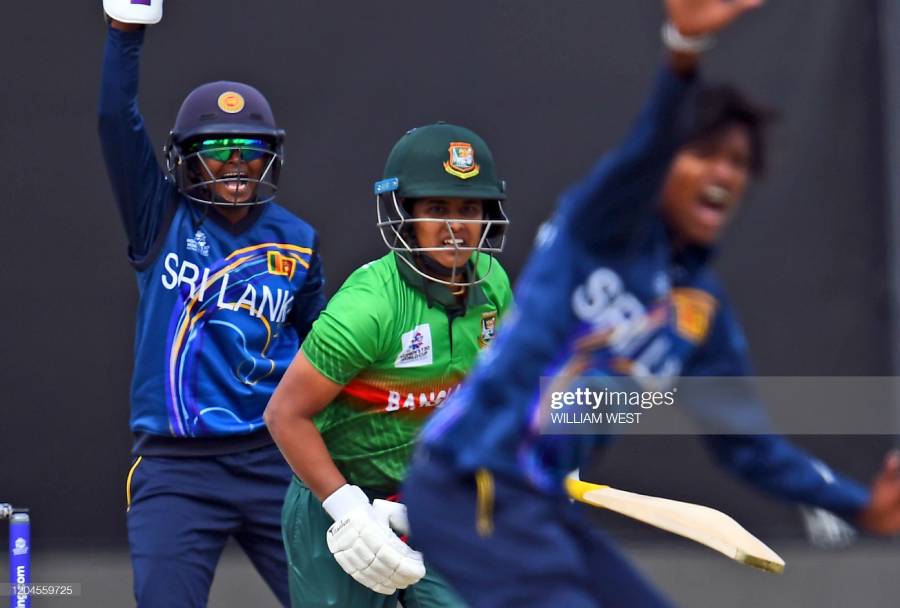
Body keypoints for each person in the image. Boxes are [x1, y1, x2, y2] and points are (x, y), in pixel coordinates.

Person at [402, 1, 900, 606]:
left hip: (539, 504)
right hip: (468, 484)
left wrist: (860, 505)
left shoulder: (699, 312)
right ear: (664, 165)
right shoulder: (600, 227)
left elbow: (749, 447)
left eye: (739, 163)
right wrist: (683, 53)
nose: (724, 174)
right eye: (704, 153)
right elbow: (648, 144)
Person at [98, 2, 325, 605]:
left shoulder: (297, 239)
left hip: (276, 459)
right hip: (177, 469)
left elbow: (321, 353)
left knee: (337, 600)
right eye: (217, 148)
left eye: (250, 149)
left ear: (271, 156)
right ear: (185, 158)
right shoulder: (159, 217)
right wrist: (125, 32)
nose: (235, 163)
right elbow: (115, 121)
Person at [264, 122, 513, 607]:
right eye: (436, 208)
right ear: (404, 214)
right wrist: (347, 508)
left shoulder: (493, 284)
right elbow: (284, 415)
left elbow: (499, 388)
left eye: (468, 209)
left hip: (432, 499)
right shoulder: (369, 307)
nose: (455, 226)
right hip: (338, 498)